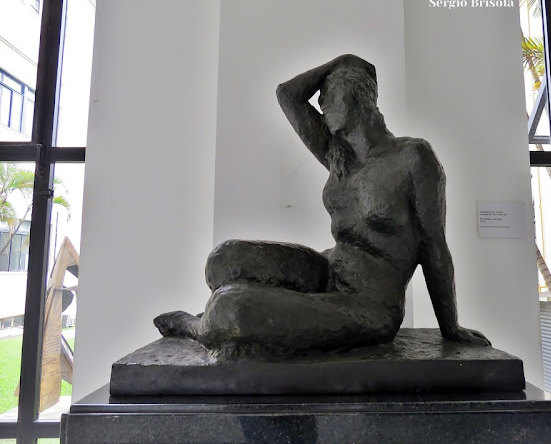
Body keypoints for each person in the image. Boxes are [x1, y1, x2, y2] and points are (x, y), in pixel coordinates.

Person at [154, 54, 490, 355]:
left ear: (356, 97)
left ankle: (197, 327)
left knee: (232, 307)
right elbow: (288, 95)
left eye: (329, 96)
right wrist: (338, 63)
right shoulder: (338, 157)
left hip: (369, 304)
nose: (321, 104)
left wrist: (451, 327)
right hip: (327, 272)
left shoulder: (413, 156)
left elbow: (434, 245)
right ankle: (237, 317)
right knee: (224, 259)